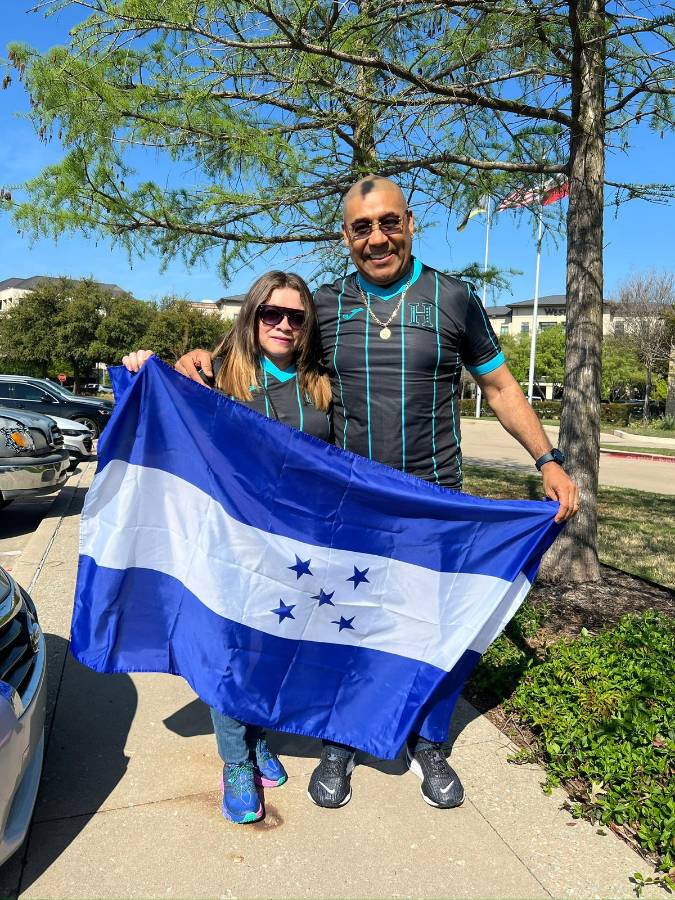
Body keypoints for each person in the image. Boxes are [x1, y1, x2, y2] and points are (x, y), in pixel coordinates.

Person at [159, 175, 580, 813]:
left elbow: (498, 387)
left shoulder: (454, 299)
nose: (377, 237)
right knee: (346, 625)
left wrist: (546, 458)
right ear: (346, 236)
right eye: (362, 227)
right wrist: (199, 358)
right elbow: (265, 344)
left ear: (410, 223)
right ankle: (340, 740)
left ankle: (429, 741)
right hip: (349, 508)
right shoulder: (325, 306)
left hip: (434, 503)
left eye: (388, 222)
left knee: (432, 627)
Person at [123, 271, 332, 824]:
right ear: (252, 316)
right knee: (231, 651)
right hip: (232, 545)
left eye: (296, 316)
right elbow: (166, 402)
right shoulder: (219, 376)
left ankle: (255, 737)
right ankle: (235, 760)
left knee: (271, 651)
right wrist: (144, 364)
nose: (283, 325)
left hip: (297, 548)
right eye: (272, 313)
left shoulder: (320, 384)